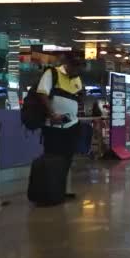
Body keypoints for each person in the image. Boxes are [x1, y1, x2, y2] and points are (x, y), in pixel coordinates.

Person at [36, 54, 84, 201]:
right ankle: (49, 191)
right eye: (75, 66)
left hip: (71, 125)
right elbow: (42, 94)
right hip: (54, 126)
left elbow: (77, 98)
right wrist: (52, 114)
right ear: (67, 63)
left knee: (67, 159)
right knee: (53, 157)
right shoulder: (52, 73)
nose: (77, 69)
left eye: (80, 67)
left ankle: (61, 190)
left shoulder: (77, 79)